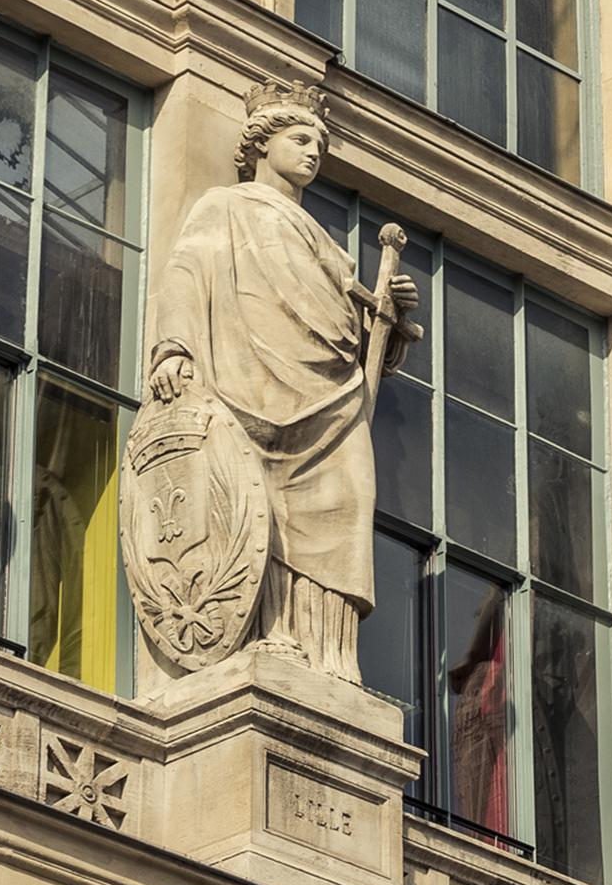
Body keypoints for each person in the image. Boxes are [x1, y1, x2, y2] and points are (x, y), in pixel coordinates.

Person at [142, 86, 420, 682]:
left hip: (332, 399)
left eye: (319, 142)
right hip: (251, 383)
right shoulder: (224, 206)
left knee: (344, 500)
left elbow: (352, 329)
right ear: (261, 145)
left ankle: (328, 652)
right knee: (254, 503)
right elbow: (187, 273)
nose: (313, 152)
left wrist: (390, 320)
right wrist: (173, 348)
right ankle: (267, 633)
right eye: (300, 139)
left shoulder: (324, 243)